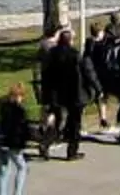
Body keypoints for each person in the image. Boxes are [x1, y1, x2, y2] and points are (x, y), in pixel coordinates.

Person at [37, 27, 87, 160]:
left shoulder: (51, 54)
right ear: (70, 41)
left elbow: (46, 75)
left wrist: (46, 94)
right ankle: (72, 151)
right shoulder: (74, 55)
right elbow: (81, 74)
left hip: (56, 94)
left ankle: (45, 143)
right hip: (72, 93)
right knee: (74, 123)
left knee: (58, 121)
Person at [0, 85, 33, 195]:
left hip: (0, 140)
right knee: (22, 167)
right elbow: (22, 128)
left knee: (3, 170)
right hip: (13, 142)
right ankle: (17, 193)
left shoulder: (1, 104)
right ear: (19, 96)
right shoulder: (18, 109)